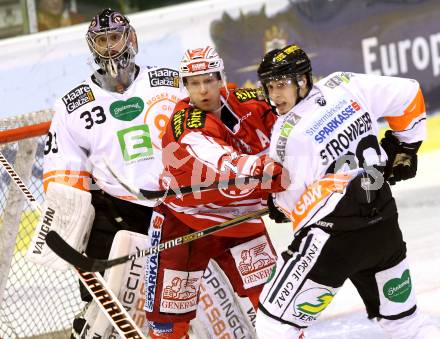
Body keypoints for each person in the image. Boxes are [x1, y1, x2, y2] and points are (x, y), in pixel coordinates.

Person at [254, 44, 440, 338]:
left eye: (281, 85)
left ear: (302, 81)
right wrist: (405, 146)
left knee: (272, 323)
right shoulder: (344, 83)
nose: (274, 95)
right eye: (269, 86)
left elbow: (294, 203)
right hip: (383, 223)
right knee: (404, 323)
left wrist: (278, 203)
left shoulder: (287, 133)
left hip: (334, 239)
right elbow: (409, 94)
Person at [42, 8, 184, 337]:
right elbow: (63, 174)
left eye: (115, 38)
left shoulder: (172, 83)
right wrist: (70, 225)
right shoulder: (72, 105)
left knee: (174, 307)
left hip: (174, 209)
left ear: (131, 38)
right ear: (91, 47)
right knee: (102, 313)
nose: (109, 47)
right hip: (114, 211)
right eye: (102, 40)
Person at [144, 46, 289, 338]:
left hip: (240, 221)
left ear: (221, 78)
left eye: (209, 80)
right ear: (185, 86)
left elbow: (294, 121)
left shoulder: (250, 102)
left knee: (275, 303)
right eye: (194, 83)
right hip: (184, 222)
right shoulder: (186, 125)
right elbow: (225, 163)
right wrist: (269, 175)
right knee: (168, 326)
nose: (203, 89)